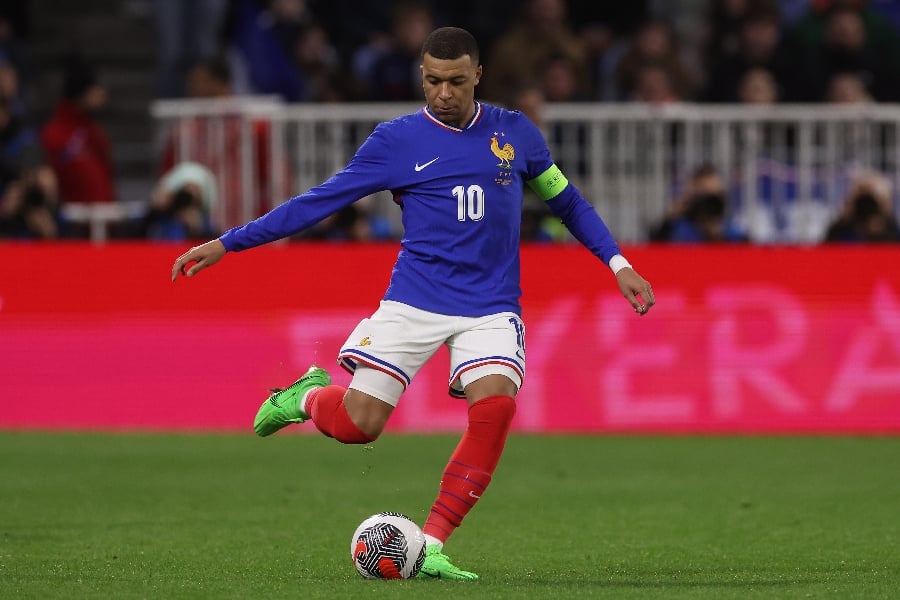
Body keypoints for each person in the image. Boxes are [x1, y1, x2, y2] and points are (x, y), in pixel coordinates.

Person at [171, 27, 654, 580]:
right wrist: (227, 242)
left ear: (478, 76)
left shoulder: (517, 134)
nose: (443, 92)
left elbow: (566, 202)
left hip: (491, 306)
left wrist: (618, 264)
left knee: (495, 407)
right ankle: (306, 398)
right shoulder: (395, 141)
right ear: (421, 77)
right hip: (414, 302)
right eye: (432, 80)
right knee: (360, 426)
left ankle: (431, 543)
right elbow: (316, 204)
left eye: (454, 80)